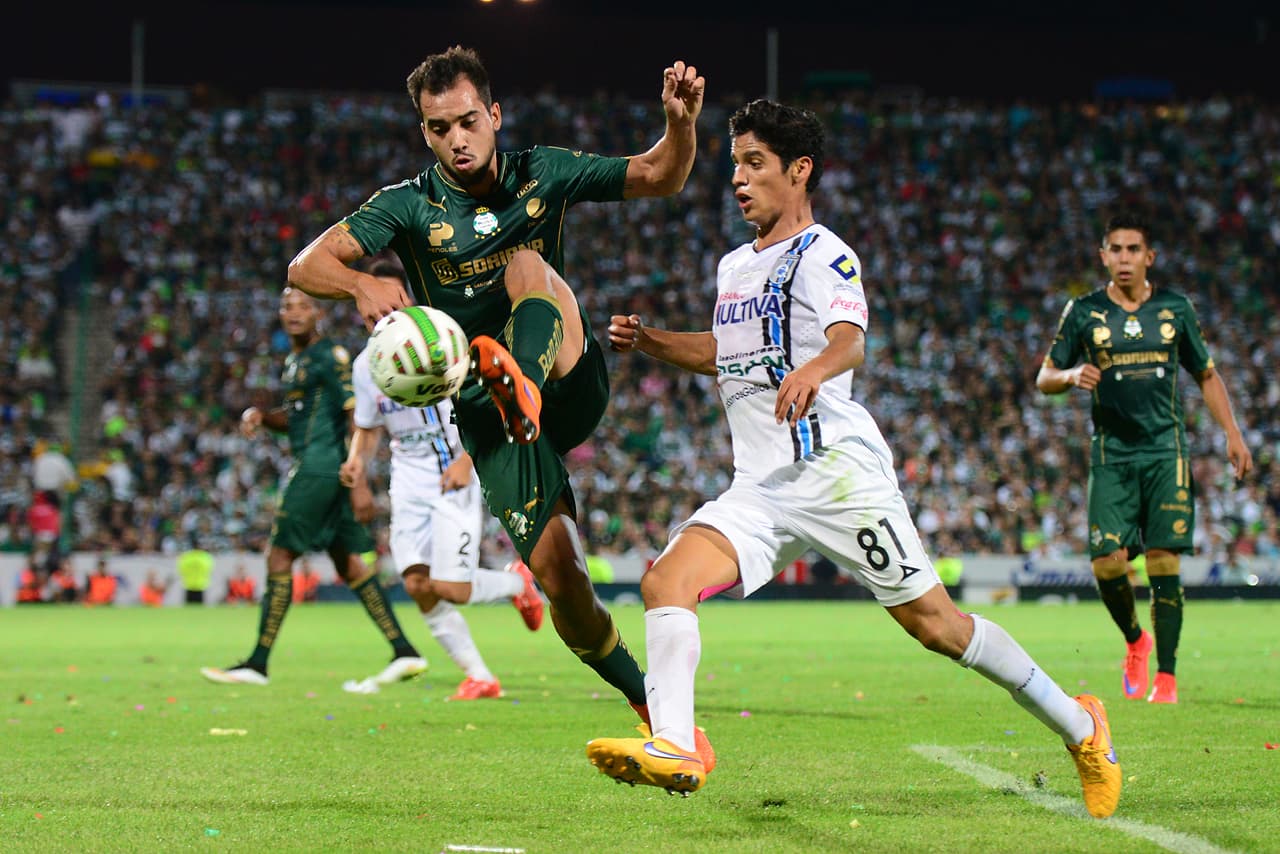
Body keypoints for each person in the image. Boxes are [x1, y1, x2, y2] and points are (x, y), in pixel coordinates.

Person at [587, 99, 1121, 820]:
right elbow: (726, 353)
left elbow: (850, 339)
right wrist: (651, 340)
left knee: (939, 627)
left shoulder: (825, 254)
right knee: (664, 582)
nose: (738, 179)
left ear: (798, 170)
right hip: (760, 487)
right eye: (735, 164)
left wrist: (814, 371)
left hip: (836, 475)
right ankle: (677, 745)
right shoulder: (733, 266)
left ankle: (1083, 726)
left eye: (754, 163)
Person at [287, 46, 707, 739]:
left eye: (468, 121)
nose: (457, 138)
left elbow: (660, 175)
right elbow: (305, 265)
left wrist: (681, 125)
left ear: (495, 116)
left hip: (563, 375)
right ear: (424, 132)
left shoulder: (543, 171)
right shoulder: (408, 205)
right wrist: (361, 283)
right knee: (566, 586)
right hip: (487, 416)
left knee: (528, 263)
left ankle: (523, 384)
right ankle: (654, 709)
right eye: (439, 127)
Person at [1035, 213, 1253, 705]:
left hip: (1165, 450)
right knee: (1106, 562)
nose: (1125, 258)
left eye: (1134, 249)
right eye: (1116, 249)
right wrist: (1070, 376)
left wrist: (1233, 433)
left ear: (1148, 257)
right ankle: (1136, 640)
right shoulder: (1084, 311)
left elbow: (1206, 374)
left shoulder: (1175, 309)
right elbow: (1044, 377)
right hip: (1112, 453)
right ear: (1103, 256)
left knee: (1162, 559)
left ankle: (1167, 677)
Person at [200, 287, 426, 687]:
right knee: (348, 563)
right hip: (324, 468)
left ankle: (257, 663)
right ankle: (404, 650)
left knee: (279, 556)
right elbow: (298, 417)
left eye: (303, 306)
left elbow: (355, 414)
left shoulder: (329, 356)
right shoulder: (296, 361)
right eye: (287, 306)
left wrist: (358, 476)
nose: (294, 312)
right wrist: (262, 417)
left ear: (318, 313)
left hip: (319, 468)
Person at [339, 260, 544, 699]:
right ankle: (480, 676)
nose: (382, 310)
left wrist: (468, 460)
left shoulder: (446, 341)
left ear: (408, 299)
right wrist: (357, 464)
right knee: (417, 583)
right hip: (407, 481)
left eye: (392, 299)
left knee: (452, 587)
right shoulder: (365, 365)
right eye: (373, 302)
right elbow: (368, 427)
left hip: (453, 474)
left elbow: (491, 405)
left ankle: (516, 583)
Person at [176, 539, 213, 605]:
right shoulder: (205, 557)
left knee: (189, 607)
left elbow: (181, 569)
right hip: (200, 585)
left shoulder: (186, 556)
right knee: (199, 607)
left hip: (189, 584)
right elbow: (209, 569)